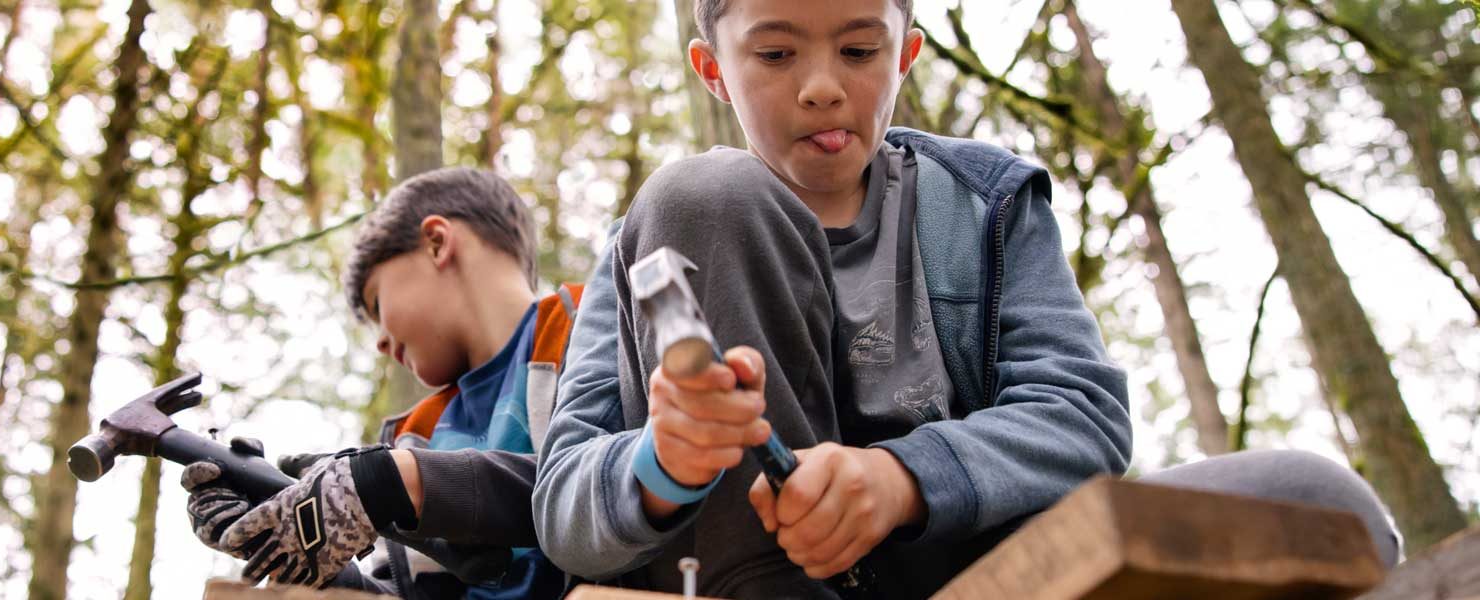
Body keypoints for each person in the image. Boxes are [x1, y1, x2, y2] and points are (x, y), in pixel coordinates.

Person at [530, 1, 1402, 597]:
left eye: (860, 50)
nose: (823, 85)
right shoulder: (646, 243)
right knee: (698, 191)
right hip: (746, 572)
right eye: (776, 52)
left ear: (906, 54)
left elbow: (1083, 418)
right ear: (713, 69)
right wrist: (661, 463)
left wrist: (902, 478)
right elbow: (562, 499)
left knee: (1321, 501)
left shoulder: (985, 203)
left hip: (966, 566)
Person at [182, 167, 581, 599]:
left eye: (377, 301)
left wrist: (391, 482)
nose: (381, 342)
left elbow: (609, 484)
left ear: (436, 242)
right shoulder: (417, 435)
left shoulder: (587, 326)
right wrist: (291, 544)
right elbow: (402, 593)